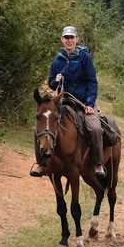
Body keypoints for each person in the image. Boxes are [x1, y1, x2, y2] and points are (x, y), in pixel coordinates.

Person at [30, 25, 107, 180]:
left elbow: (92, 82)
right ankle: (42, 163)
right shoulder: (58, 59)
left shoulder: (85, 57)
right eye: (66, 38)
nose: (69, 40)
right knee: (40, 126)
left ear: (76, 39)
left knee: (95, 128)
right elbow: (51, 83)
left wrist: (90, 105)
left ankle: (98, 163)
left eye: (72, 37)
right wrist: (55, 80)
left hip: (82, 102)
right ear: (62, 40)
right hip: (62, 102)